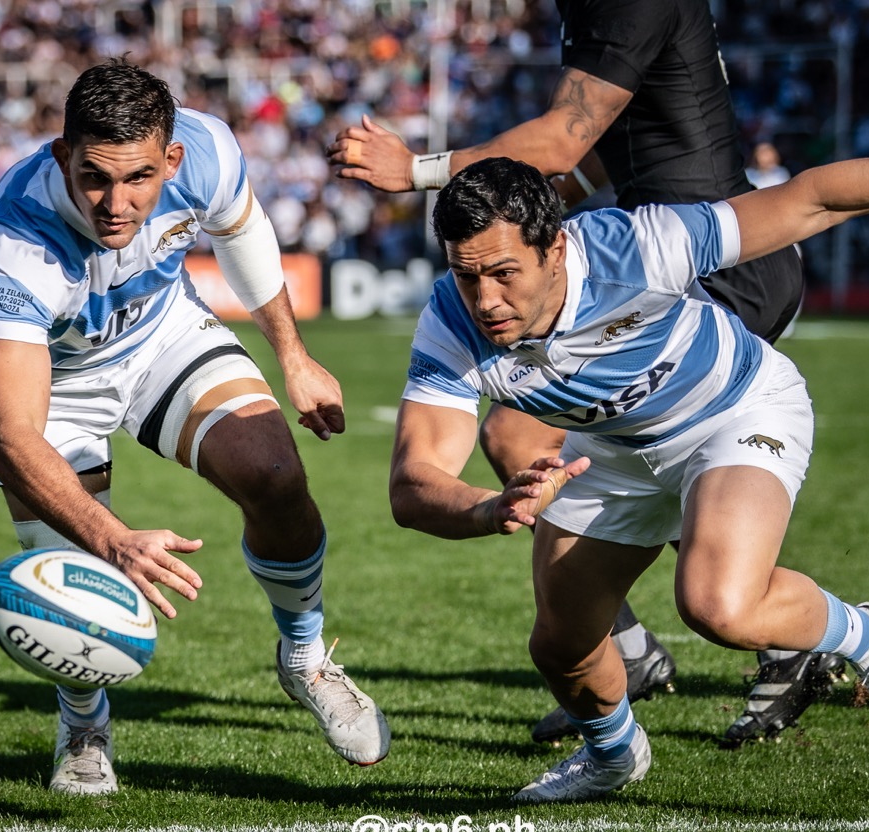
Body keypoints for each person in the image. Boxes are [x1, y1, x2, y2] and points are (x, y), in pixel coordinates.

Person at [387, 55, 869, 802]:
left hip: (734, 411)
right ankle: (614, 756)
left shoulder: (636, 246)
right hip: (612, 453)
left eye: (503, 273)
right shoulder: (450, 321)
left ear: (555, 248)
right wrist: (490, 508)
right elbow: (414, 484)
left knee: (719, 606)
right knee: (561, 646)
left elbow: (811, 201)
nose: (484, 299)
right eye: (466, 274)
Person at [328, 0, 836, 746]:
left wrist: (417, 170)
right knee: (512, 437)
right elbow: (601, 150)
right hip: (668, 244)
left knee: (672, 449)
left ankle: (778, 629)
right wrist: (534, 221)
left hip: (708, 264)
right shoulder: (591, 14)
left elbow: (564, 139)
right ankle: (628, 649)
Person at [0, 59, 390, 795]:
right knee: (72, 575)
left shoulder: (210, 150)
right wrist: (111, 539)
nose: (116, 203)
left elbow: (243, 233)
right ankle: (84, 722)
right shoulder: (17, 240)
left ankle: (305, 659)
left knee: (275, 474)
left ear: (172, 158)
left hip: (164, 336)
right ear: (62, 155)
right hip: (58, 381)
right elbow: (11, 438)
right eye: (94, 177)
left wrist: (294, 357)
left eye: (138, 178)